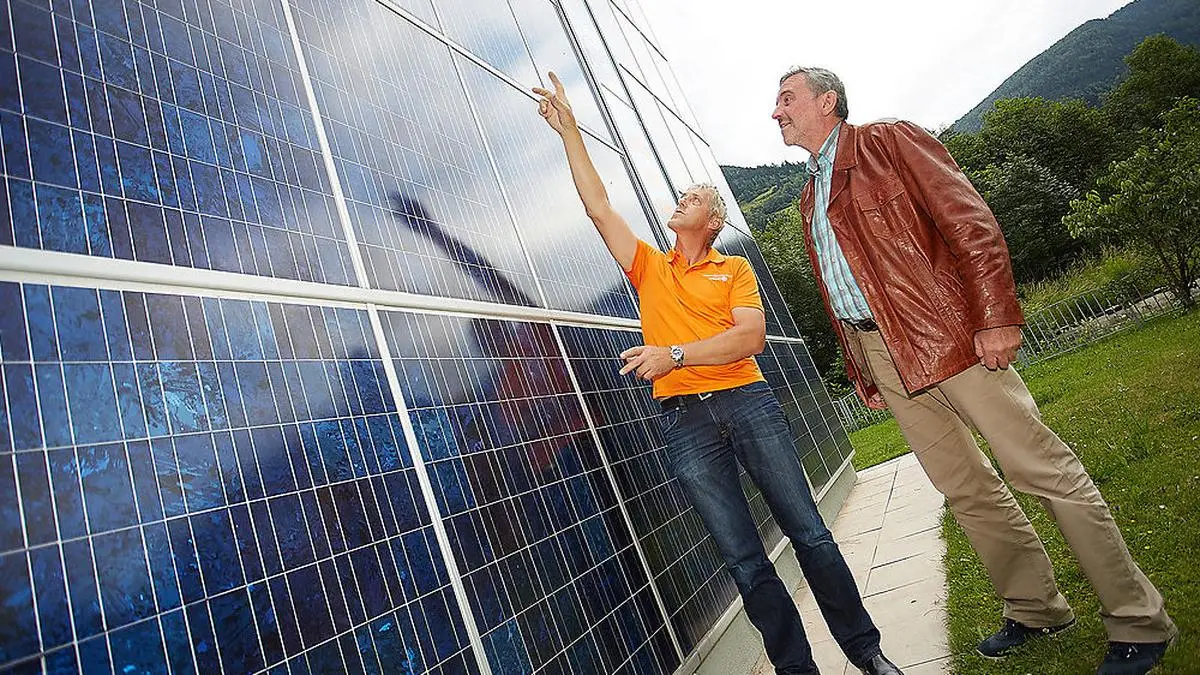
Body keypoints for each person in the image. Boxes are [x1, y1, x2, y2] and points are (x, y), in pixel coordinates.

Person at [772, 66, 1178, 674]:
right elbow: (846, 288)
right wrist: (864, 372)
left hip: (949, 334)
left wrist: (994, 314)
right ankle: (1037, 608)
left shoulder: (889, 142)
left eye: (786, 99)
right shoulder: (810, 195)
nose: (775, 112)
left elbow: (969, 221)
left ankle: (1138, 620)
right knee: (964, 488)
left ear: (828, 100)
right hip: (885, 355)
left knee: (1039, 467)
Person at [533, 72, 902, 675]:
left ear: (712, 222)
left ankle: (866, 652)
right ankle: (796, 669)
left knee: (808, 533)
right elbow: (597, 205)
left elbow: (749, 338)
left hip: (747, 402)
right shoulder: (649, 268)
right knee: (743, 559)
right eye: (681, 196)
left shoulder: (732, 270)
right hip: (685, 423)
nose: (681, 200)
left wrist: (673, 355)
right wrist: (571, 131)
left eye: (694, 199)